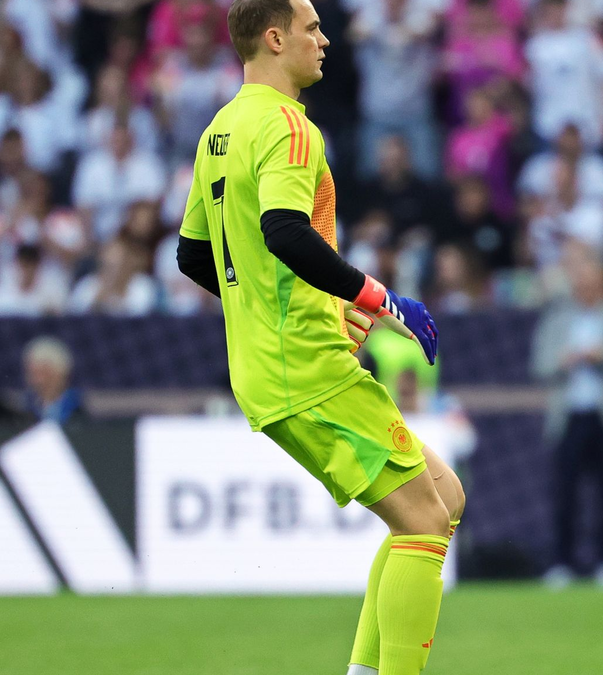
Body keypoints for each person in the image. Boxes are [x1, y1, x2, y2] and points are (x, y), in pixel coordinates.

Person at [172, 3, 462, 674]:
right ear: (275, 39)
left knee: (442, 500)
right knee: (423, 521)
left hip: (269, 367)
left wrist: (288, 306)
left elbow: (193, 255)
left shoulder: (221, 130)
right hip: (306, 365)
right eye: (311, 28)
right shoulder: (289, 126)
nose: (325, 40)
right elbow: (285, 231)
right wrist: (377, 299)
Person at [531, 246, 603, 590]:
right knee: (565, 493)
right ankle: (562, 562)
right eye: (581, 282)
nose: (586, 288)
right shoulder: (558, 318)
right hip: (570, 414)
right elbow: (540, 364)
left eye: (593, 282)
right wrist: (564, 360)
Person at [21, 336, 84, 424]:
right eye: (33, 373)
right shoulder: (23, 409)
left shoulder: (80, 406)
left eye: (43, 372)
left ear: (61, 372)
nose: (38, 380)